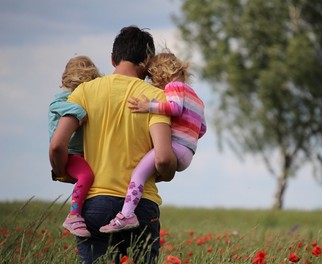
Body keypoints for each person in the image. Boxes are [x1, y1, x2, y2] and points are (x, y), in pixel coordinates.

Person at [49, 25, 177, 264]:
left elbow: (57, 145)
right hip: (141, 206)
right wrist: (166, 174)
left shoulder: (83, 92)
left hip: (95, 203)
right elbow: (163, 159)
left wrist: (61, 171)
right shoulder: (155, 98)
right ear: (147, 61)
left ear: (112, 58)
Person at [100, 50, 207, 233]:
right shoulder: (197, 98)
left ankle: (126, 215)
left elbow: (174, 108)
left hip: (175, 147)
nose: (153, 83)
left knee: (138, 174)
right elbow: (202, 129)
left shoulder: (174, 87)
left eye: (153, 77)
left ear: (161, 73)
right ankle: (132, 204)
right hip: (188, 152)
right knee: (147, 175)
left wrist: (147, 106)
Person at [48, 55, 101, 237]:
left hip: (78, 153)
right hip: (69, 154)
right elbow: (57, 106)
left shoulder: (72, 97)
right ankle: (73, 215)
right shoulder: (63, 99)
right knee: (86, 175)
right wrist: (80, 111)